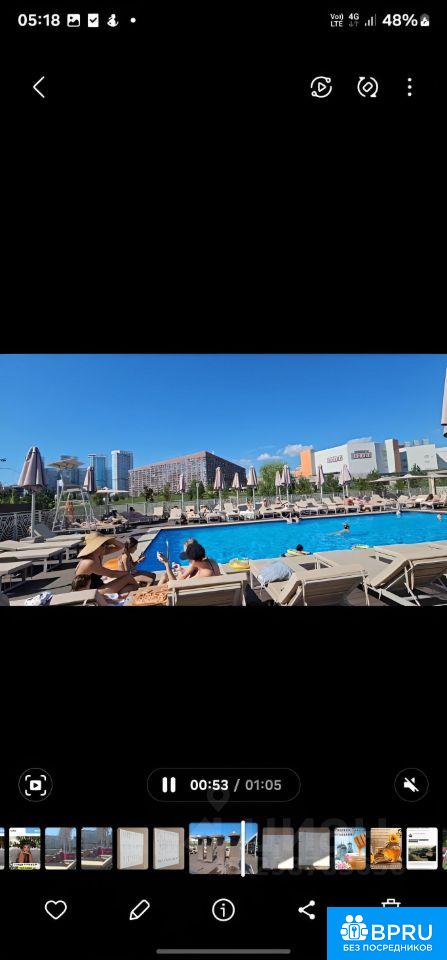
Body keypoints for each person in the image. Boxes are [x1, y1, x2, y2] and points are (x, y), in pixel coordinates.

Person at [74, 533, 141, 596]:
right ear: (96, 547)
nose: (106, 546)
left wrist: (111, 541)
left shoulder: (98, 554)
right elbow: (112, 574)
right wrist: (128, 572)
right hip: (89, 593)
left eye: (105, 543)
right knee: (128, 578)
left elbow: (121, 546)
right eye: (103, 544)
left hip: (98, 587)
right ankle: (140, 592)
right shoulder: (89, 562)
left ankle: (133, 593)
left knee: (130, 585)